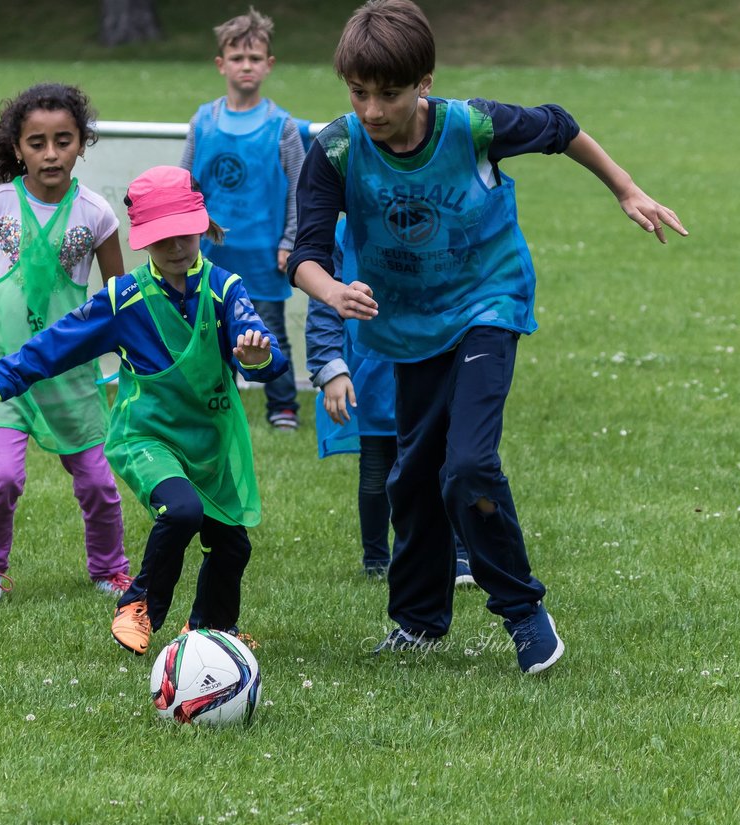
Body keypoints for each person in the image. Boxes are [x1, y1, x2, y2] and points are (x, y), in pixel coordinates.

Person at [288, 0, 686, 674]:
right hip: (407, 324)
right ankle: (417, 622)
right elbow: (305, 251)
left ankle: (525, 615)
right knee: (411, 478)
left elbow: (561, 127)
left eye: (389, 94)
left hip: (487, 300)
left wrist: (626, 188)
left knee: (466, 465)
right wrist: (331, 290)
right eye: (359, 93)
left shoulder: (471, 126)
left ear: (426, 83)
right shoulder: (334, 149)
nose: (372, 109)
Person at [0, 166, 287, 655]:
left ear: (200, 227)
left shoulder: (226, 290)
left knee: (232, 544)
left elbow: (270, 360)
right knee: (181, 512)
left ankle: (209, 633)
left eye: (183, 235)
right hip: (147, 438)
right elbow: (58, 344)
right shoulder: (125, 299)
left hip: (210, 443)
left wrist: (257, 356)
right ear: (143, 241)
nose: (176, 248)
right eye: (162, 240)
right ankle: (138, 606)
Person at [0, 82, 133, 605]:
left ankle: (111, 570)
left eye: (63, 140)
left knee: (97, 484)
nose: (51, 153)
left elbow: (117, 297)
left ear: (82, 143)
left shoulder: (97, 215)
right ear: (18, 149)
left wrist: (133, 354)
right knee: (2, 478)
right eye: (37, 143)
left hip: (69, 370)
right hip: (0, 367)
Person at [306, 218, 474, 585]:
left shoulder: (437, 217)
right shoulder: (341, 234)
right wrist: (330, 367)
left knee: (446, 461)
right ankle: (377, 559)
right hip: (372, 370)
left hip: (431, 358)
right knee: (377, 468)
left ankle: (460, 554)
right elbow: (323, 304)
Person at [180, 7, 305, 432]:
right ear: (221, 65)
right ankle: (220, 405)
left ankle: (283, 406)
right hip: (212, 255)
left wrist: (290, 241)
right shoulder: (203, 121)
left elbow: (299, 191)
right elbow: (186, 187)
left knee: (269, 331)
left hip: (265, 254)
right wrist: (184, 239)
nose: (246, 65)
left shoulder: (282, 126)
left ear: (269, 65)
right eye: (237, 57)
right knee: (213, 334)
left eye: (255, 58)